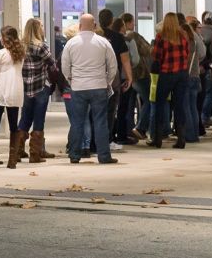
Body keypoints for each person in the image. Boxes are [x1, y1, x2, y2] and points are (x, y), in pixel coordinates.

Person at [60, 14, 119, 164]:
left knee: (77, 122)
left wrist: (71, 80)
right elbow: (113, 66)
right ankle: (104, 156)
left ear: (79, 26)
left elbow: (65, 66)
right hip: (99, 86)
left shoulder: (71, 43)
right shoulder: (103, 42)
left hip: (78, 87)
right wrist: (107, 81)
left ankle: (74, 155)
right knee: (100, 122)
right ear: (94, 26)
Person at [151, 13, 191, 149]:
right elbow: (187, 53)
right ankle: (181, 138)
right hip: (182, 74)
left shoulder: (161, 37)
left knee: (160, 104)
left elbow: (156, 56)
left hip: (167, 73)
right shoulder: (183, 36)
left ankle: (158, 138)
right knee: (179, 105)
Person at [0, 26, 25, 169]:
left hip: (1, 90)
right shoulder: (20, 53)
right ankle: (12, 160)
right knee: (13, 125)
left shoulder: (0, 53)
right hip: (16, 89)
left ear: (4, 38)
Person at [19, 18, 56, 163]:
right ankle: (35, 153)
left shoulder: (21, 46)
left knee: (25, 118)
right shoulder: (42, 46)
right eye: (41, 26)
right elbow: (52, 64)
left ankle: (17, 151)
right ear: (37, 29)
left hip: (25, 87)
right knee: (39, 119)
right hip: (40, 86)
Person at [98, 10, 133, 152]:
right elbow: (125, 59)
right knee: (110, 110)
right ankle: (108, 139)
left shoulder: (96, 36)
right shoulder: (118, 37)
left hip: (95, 78)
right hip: (112, 78)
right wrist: (130, 77)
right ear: (112, 21)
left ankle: (94, 140)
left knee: (96, 111)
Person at [121, 13, 155, 143]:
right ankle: (140, 127)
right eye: (132, 22)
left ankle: (129, 130)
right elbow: (147, 51)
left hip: (126, 76)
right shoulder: (133, 36)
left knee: (129, 104)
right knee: (149, 100)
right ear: (128, 23)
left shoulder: (120, 38)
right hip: (139, 74)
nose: (134, 24)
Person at [180, 18, 206, 143]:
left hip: (188, 77)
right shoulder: (195, 43)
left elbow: (186, 62)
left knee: (187, 107)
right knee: (193, 107)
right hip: (196, 77)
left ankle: (190, 135)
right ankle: (195, 133)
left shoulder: (186, 45)